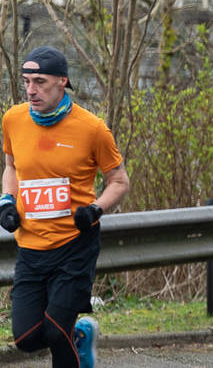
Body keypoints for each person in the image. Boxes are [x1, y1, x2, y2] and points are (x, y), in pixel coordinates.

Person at [3, 47, 130, 368]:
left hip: (74, 245)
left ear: (62, 82)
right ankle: (81, 335)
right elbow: (11, 166)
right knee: (26, 337)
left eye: (40, 82)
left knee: (56, 332)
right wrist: (6, 201)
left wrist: (95, 209)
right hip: (31, 246)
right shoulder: (13, 119)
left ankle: (72, 342)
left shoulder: (92, 128)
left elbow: (119, 181)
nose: (31, 90)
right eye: (26, 82)